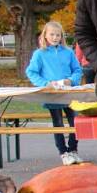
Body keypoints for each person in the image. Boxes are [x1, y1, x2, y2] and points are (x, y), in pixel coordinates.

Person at [25, 21, 84, 166]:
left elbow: (77, 70)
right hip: (52, 94)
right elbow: (31, 72)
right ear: (45, 35)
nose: (55, 37)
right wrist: (45, 84)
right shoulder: (39, 54)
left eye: (58, 35)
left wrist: (71, 80)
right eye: (52, 34)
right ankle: (63, 152)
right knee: (58, 124)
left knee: (75, 122)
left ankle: (73, 150)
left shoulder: (68, 52)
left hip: (69, 94)